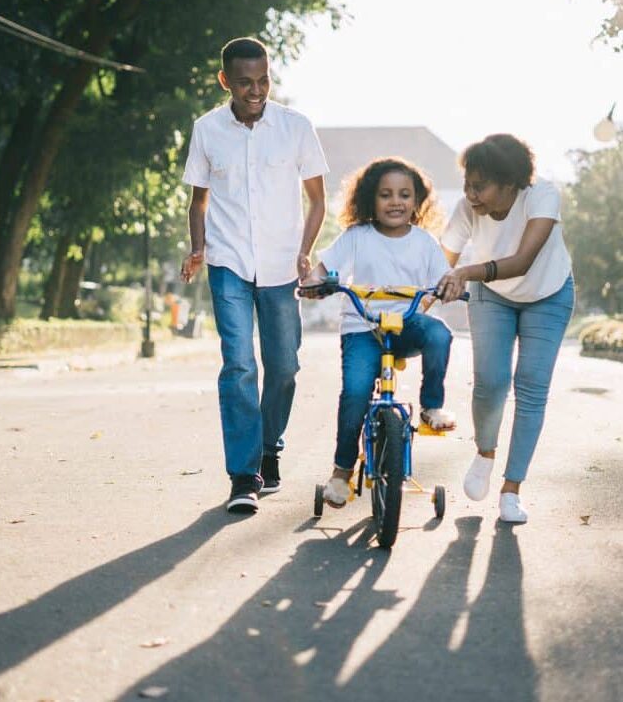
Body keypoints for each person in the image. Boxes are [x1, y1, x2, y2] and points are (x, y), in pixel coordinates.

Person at [180, 36, 328, 514]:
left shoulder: (295, 127)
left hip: (282, 265)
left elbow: (317, 199)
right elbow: (198, 201)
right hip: (228, 264)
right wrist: (199, 248)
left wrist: (305, 252)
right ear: (225, 81)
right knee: (240, 364)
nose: (256, 90)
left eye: (263, 80)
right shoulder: (206, 130)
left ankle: (270, 449)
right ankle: (243, 475)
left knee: (284, 366)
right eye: (245, 82)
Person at [302, 157, 456, 508]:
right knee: (356, 393)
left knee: (439, 334)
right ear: (371, 199)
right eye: (385, 194)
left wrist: (448, 287)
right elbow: (323, 269)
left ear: (417, 201)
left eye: (405, 194)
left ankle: (432, 406)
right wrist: (315, 282)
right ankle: (341, 472)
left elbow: (442, 280)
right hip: (362, 328)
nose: (396, 202)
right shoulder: (357, 237)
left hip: (405, 325)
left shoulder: (425, 242)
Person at [437, 134, 574, 524]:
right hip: (492, 296)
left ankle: (511, 490)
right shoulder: (468, 209)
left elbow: (523, 261)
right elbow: (439, 264)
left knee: (531, 386)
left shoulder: (541, 196)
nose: (470, 194)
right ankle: (485, 453)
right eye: (467, 184)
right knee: (491, 382)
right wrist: (419, 300)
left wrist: (465, 272)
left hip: (548, 293)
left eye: (479, 186)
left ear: (510, 183)